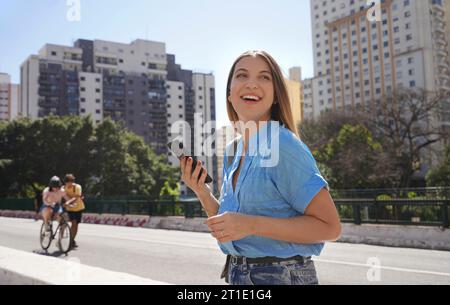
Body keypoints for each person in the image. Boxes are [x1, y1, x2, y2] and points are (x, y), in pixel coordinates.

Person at [180, 50, 342, 285]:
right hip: (238, 274)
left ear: (276, 95)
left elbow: (330, 227)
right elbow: (232, 227)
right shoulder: (233, 152)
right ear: (229, 93)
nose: (252, 84)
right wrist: (202, 192)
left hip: (282, 275)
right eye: (242, 75)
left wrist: (251, 224)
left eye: (264, 77)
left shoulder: (283, 145)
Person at [62, 174, 85, 249]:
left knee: (76, 225)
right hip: (70, 209)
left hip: (79, 208)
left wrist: (68, 202)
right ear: (65, 182)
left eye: (71, 182)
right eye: (67, 182)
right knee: (73, 222)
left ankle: (72, 240)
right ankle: (70, 240)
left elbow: (77, 197)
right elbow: (63, 196)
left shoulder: (77, 187)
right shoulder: (64, 188)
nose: (69, 184)